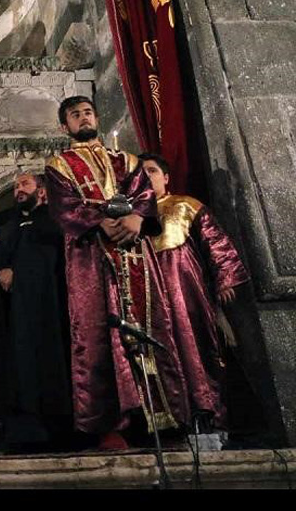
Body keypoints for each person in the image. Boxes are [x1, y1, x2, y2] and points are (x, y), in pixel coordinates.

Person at [45, 95, 190, 449]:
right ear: (65, 126)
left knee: (152, 324)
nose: (84, 118)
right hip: (91, 257)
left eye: (88, 112)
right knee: (96, 335)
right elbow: (64, 206)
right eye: (75, 115)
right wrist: (99, 222)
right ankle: (111, 424)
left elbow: (143, 194)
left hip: (133, 249)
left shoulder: (125, 159)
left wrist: (138, 218)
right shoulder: (59, 165)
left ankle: (165, 418)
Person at [139, 153, 250, 431]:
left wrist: (225, 278)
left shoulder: (185, 205)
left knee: (195, 346)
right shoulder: (133, 218)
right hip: (150, 292)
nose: (146, 177)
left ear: (165, 177)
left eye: (152, 171)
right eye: (140, 174)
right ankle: (172, 419)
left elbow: (215, 241)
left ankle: (208, 413)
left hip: (185, 287)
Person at [0, 173, 73, 451]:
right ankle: (20, 431)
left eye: (25, 185)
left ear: (42, 192)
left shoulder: (53, 223)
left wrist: (17, 272)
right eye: (17, 186)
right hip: (12, 317)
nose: (18, 190)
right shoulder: (11, 226)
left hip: (45, 316)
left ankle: (50, 431)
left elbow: (49, 264)